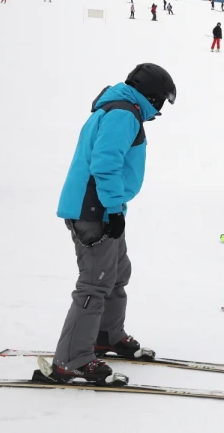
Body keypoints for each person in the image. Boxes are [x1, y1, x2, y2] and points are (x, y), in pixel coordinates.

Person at [48, 63, 176, 384]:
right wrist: (113, 209)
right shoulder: (123, 114)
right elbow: (105, 162)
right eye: (161, 101)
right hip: (95, 210)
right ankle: (72, 359)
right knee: (95, 282)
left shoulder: (121, 107)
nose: (159, 109)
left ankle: (106, 335)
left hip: (103, 207)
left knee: (116, 273)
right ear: (153, 96)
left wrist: (115, 208)